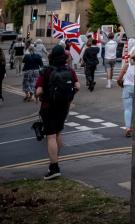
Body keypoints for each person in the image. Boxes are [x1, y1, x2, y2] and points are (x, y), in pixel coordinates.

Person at [35, 45, 79, 179]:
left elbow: (39, 91)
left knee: (51, 136)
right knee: (58, 133)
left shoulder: (46, 71)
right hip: (63, 107)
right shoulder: (70, 70)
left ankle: (54, 168)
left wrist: (39, 96)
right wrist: (69, 96)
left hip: (48, 107)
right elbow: (77, 86)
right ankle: (54, 162)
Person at [116, 49, 135, 137]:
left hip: (128, 88)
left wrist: (121, 85)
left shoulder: (127, 65)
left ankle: (128, 128)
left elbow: (118, 79)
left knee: (128, 109)